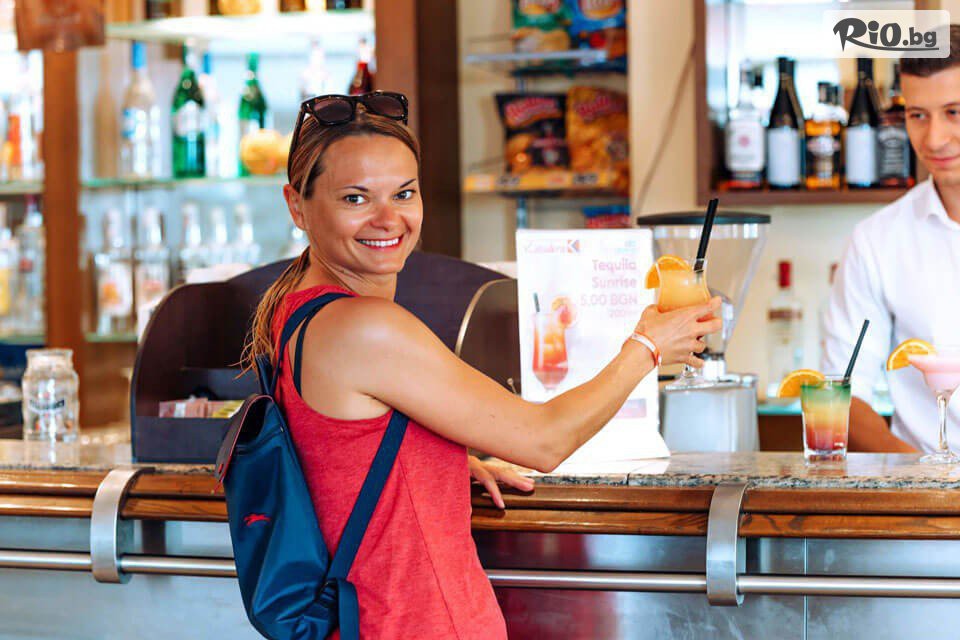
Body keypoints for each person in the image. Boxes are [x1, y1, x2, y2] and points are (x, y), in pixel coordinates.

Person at [243, 91, 722, 638]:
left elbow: (338, 451)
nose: (388, 218)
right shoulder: (365, 326)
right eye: (356, 198)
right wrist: (648, 347)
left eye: (404, 193)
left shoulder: (295, 310)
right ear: (297, 206)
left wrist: (437, 458)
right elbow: (543, 441)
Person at [822, 26, 960, 453]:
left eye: (954, 112)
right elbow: (844, 394)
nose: (934, 139)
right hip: (923, 487)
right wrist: (931, 480)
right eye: (917, 115)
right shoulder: (877, 240)